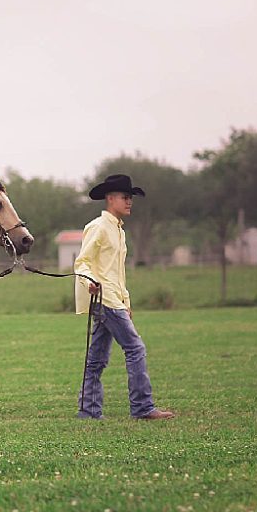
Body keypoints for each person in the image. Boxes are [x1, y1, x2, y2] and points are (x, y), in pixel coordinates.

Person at [73, 174, 174, 420]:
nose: (130, 202)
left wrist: (126, 302)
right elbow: (82, 262)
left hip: (114, 300)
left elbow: (116, 271)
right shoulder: (98, 227)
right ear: (110, 199)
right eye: (125, 197)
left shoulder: (118, 231)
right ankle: (142, 408)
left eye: (131, 198)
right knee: (135, 348)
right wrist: (90, 282)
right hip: (105, 299)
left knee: (96, 359)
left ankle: (88, 411)